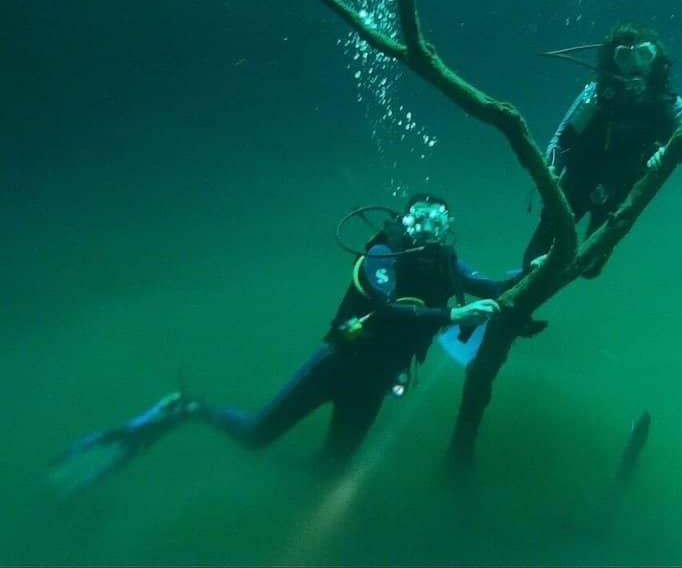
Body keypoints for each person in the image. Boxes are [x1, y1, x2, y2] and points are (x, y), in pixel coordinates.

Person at [51, 194, 516, 492]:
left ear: (448, 226)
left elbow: (495, 287)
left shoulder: (447, 264)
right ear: (407, 220)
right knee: (257, 435)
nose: (430, 227)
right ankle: (186, 409)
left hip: (376, 383)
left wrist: (535, 267)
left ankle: (282, 495)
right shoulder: (382, 251)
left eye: (439, 220)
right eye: (422, 217)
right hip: (337, 363)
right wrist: (451, 315)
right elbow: (385, 302)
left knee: (331, 468)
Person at [524, 24, 682, 278]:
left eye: (644, 55)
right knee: (535, 255)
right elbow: (561, 140)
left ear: (657, 60)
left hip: (618, 191)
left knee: (591, 267)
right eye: (624, 56)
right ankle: (524, 286)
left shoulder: (670, 103)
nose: (635, 65)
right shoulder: (595, 94)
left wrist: (667, 153)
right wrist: (551, 171)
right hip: (577, 181)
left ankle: (544, 272)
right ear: (612, 61)